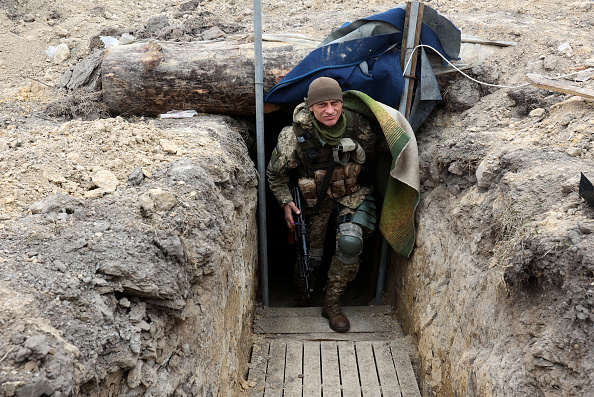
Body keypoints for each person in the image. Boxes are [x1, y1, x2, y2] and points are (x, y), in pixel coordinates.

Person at [266, 77, 387, 332]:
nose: (330, 110)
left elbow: (384, 148)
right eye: (322, 105)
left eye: (335, 103)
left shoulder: (357, 124)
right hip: (315, 202)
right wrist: (286, 201)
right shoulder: (294, 136)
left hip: (352, 193)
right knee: (312, 260)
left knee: (350, 242)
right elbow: (276, 174)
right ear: (310, 107)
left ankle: (332, 303)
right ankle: (303, 295)